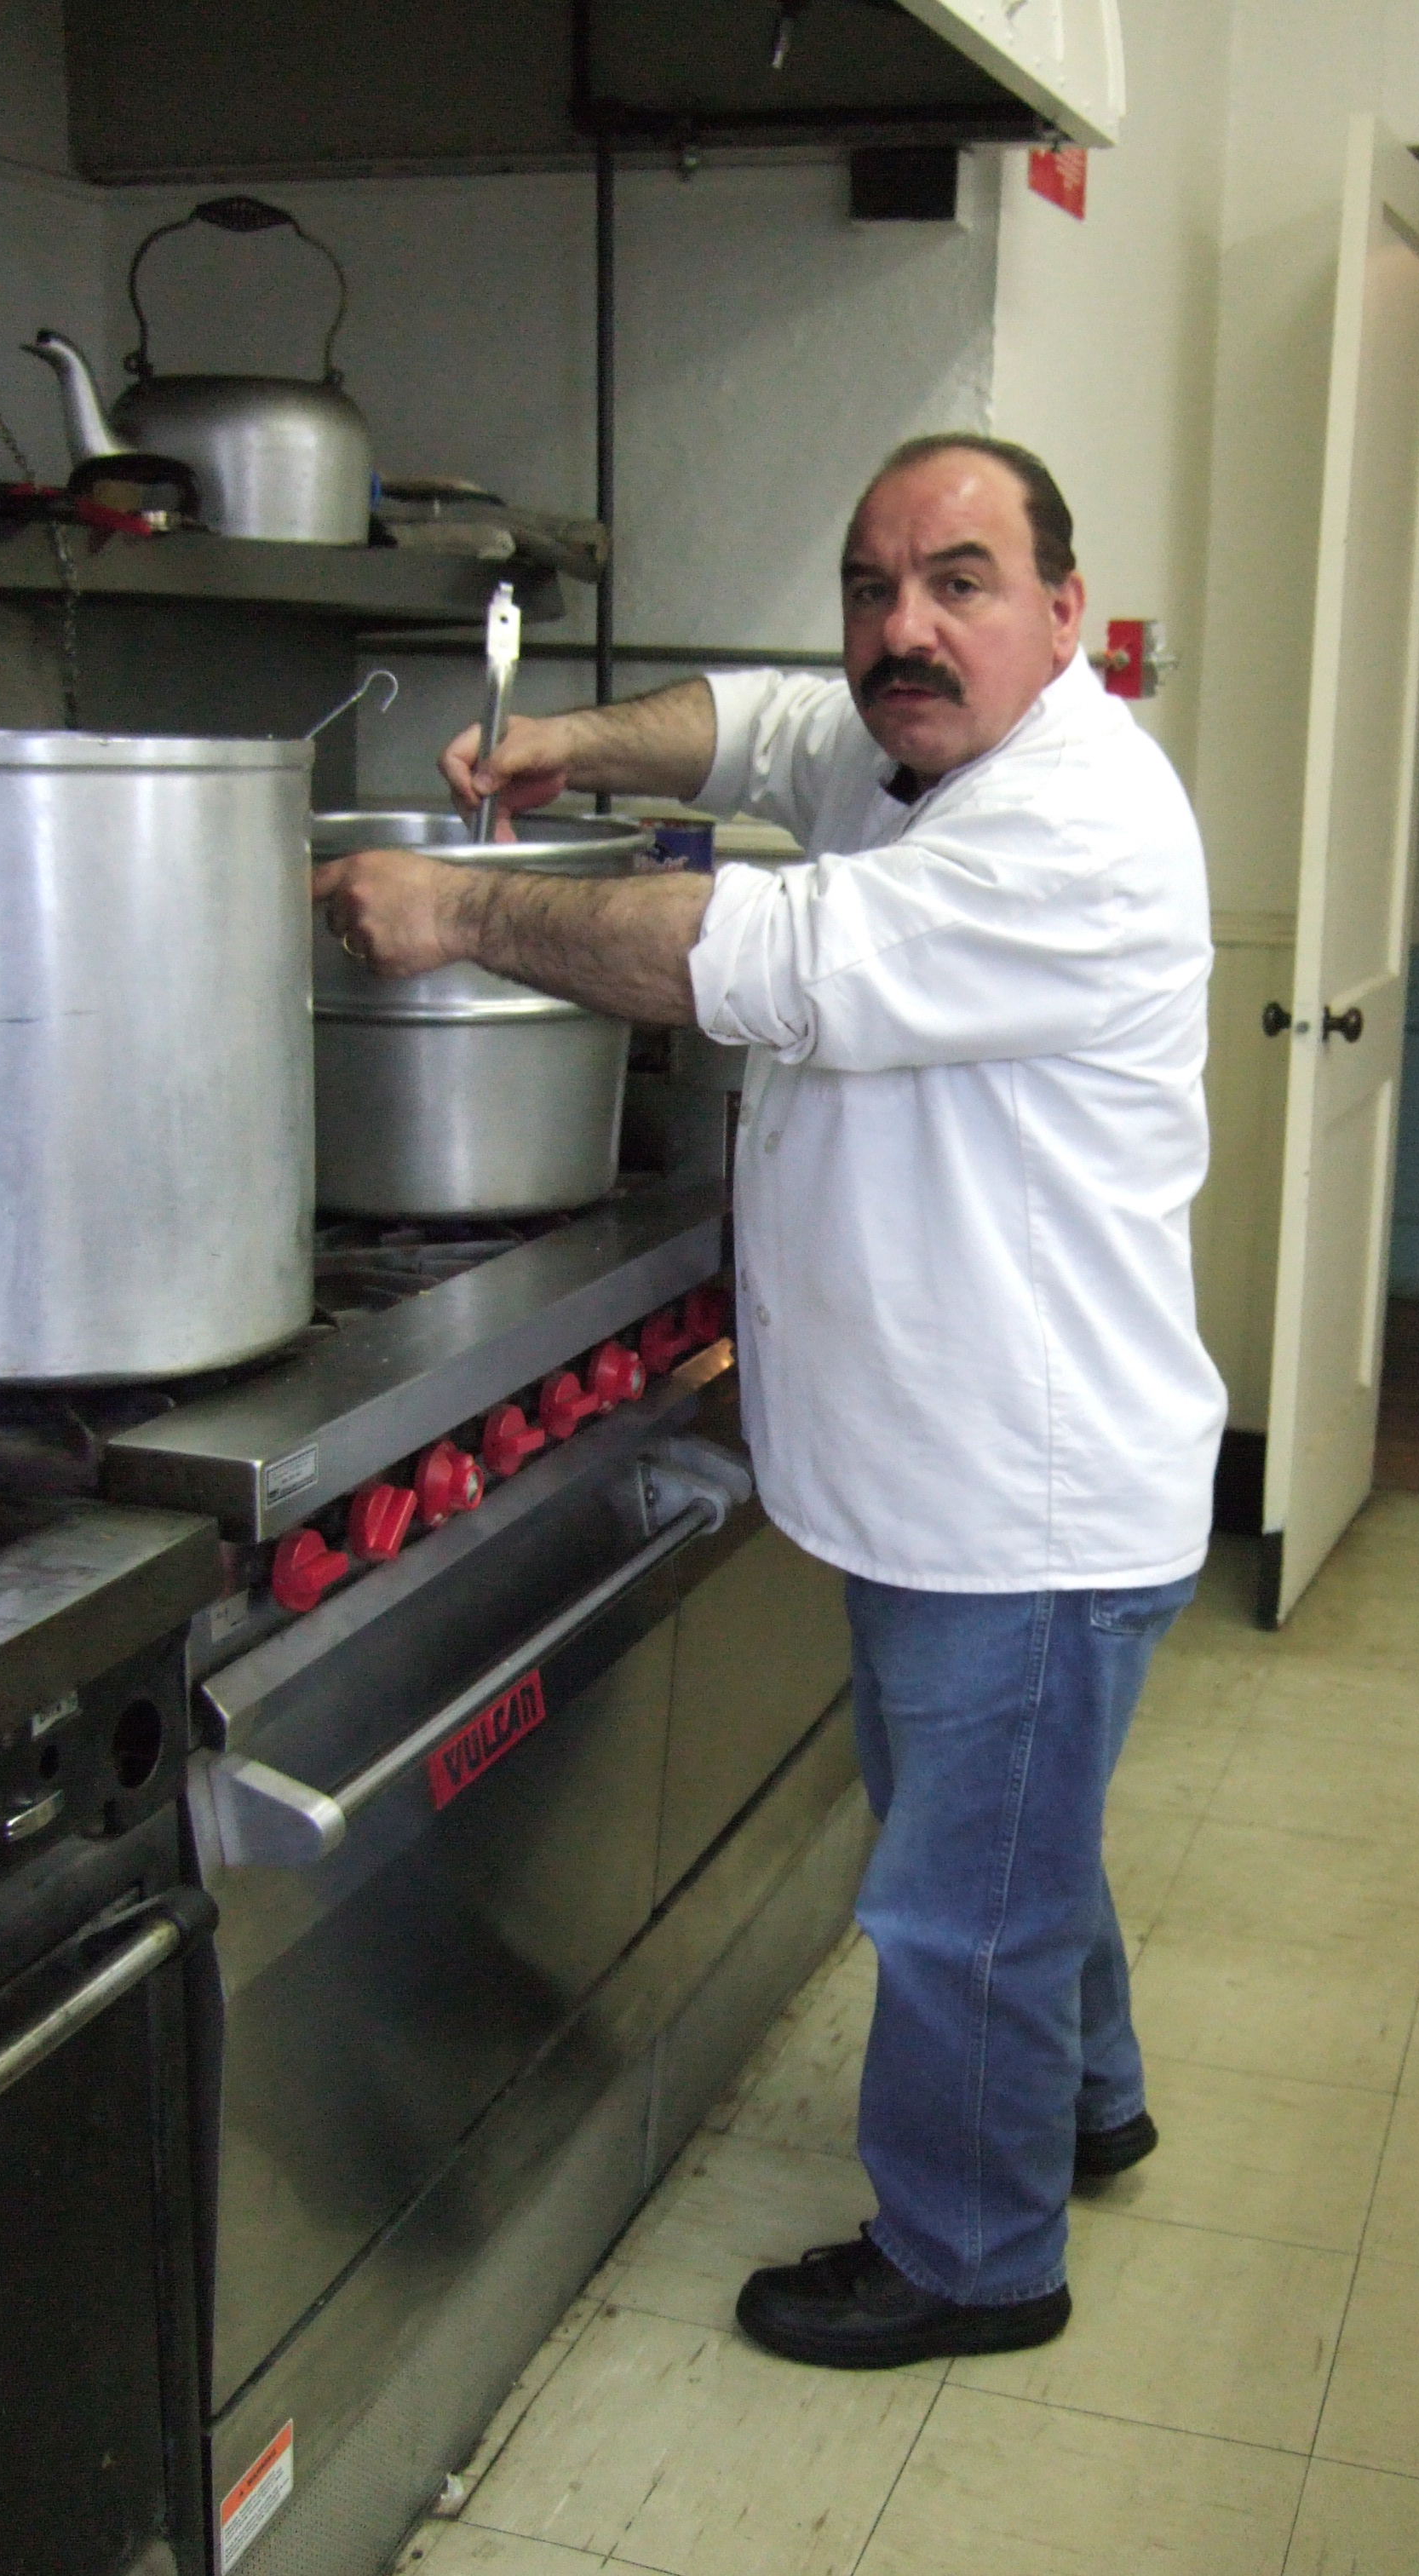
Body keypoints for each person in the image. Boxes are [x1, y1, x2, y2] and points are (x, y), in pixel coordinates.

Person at [314, 433, 1227, 2372]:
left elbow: (766, 952)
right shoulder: (914, 744)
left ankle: (977, 2262)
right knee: (1003, 1835)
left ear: (1065, 614)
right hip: (942, 1480)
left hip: (1024, 1500)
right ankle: (1088, 2101)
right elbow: (765, 724)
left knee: (958, 1902)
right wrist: (573, 746)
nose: (904, 628)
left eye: (961, 582)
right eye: (872, 582)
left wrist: (469, 911)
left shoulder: (1071, 825)